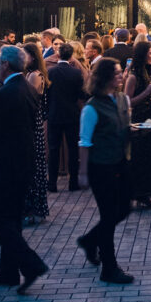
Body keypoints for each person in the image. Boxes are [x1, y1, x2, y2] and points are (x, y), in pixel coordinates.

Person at [0, 46, 48, 293]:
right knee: (12, 218)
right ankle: (7, 272)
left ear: (6, 65)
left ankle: (31, 264)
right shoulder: (28, 89)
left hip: (4, 166)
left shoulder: (4, 93)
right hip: (23, 164)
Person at [74, 57, 135, 284]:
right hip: (101, 166)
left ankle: (90, 240)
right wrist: (82, 172)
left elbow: (125, 126)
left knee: (123, 209)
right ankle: (109, 268)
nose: (121, 76)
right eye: (117, 73)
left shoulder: (121, 99)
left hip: (121, 161)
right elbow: (84, 141)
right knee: (108, 215)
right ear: (106, 77)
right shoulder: (91, 107)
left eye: (121, 72)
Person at [124, 41, 151, 209]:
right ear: (142, 54)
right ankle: (138, 194)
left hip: (148, 121)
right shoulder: (132, 76)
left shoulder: (147, 71)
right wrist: (147, 93)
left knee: (150, 157)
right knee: (139, 159)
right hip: (137, 123)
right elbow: (127, 102)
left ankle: (146, 193)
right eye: (150, 53)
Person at [46, 43, 87, 193]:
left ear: (58, 55)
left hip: (55, 114)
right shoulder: (76, 73)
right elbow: (81, 95)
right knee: (73, 149)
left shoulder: (51, 72)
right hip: (72, 114)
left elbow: (46, 94)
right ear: (71, 56)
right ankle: (73, 183)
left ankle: (52, 184)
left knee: (53, 149)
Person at [22, 43, 50, 224]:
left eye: (24, 55)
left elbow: (30, 99)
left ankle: (33, 208)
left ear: (32, 57)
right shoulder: (28, 74)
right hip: (31, 122)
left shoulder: (35, 76)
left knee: (34, 165)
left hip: (33, 123)